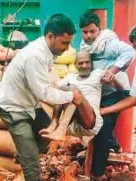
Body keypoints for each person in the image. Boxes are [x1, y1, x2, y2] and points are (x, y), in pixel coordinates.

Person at [0, 13, 82, 181]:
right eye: (64, 43)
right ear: (50, 36)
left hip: (30, 104)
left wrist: (66, 88)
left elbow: (49, 80)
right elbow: (43, 93)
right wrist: (71, 96)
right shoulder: (35, 55)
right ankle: (27, 157)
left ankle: (24, 152)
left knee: (47, 137)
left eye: (69, 43)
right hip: (13, 109)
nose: (67, 47)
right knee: (32, 165)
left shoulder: (47, 52)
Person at [79, 11, 135, 179]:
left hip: (117, 91)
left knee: (102, 128)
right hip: (100, 92)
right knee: (92, 121)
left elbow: (129, 52)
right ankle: (114, 145)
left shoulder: (108, 43)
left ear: (99, 30)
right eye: (85, 31)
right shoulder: (84, 47)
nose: (89, 35)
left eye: (92, 31)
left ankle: (97, 173)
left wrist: (112, 71)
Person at [39, 50, 126, 142]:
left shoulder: (97, 74)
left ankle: (60, 128)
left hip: (90, 122)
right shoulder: (70, 76)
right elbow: (55, 90)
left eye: (87, 62)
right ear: (75, 65)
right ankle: (54, 124)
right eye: (80, 63)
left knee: (74, 90)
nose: (84, 66)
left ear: (91, 63)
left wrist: (113, 81)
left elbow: (121, 90)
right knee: (64, 89)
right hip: (72, 123)